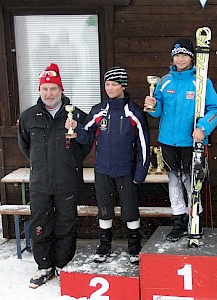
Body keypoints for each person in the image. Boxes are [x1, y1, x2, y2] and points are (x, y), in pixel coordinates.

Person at [65, 66, 150, 264]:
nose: (110, 88)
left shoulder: (134, 113)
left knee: (130, 210)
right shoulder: (98, 111)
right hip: (102, 170)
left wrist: (140, 173)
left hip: (126, 170)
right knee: (104, 208)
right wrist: (75, 128)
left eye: (114, 84)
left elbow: (144, 145)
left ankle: (134, 246)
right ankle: (104, 245)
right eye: (107, 84)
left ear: (123, 86)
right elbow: (86, 138)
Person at [144, 37, 217, 242]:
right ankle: (178, 221)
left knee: (192, 183)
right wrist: (152, 106)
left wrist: (203, 128)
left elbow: (216, 110)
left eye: (184, 55)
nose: (180, 59)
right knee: (174, 181)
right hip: (168, 141)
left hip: (191, 142)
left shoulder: (202, 81)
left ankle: (194, 220)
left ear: (191, 58)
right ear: (173, 57)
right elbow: (157, 112)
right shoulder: (163, 81)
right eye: (177, 55)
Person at [18, 63, 91, 288]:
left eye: (53, 89)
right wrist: (42, 164)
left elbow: (87, 144)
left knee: (65, 224)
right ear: (40, 91)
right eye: (45, 89)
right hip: (40, 182)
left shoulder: (76, 114)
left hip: (67, 181)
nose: (49, 94)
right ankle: (44, 266)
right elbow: (25, 147)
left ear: (61, 90)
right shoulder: (29, 116)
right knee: (40, 224)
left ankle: (62, 264)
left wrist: (76, 133)